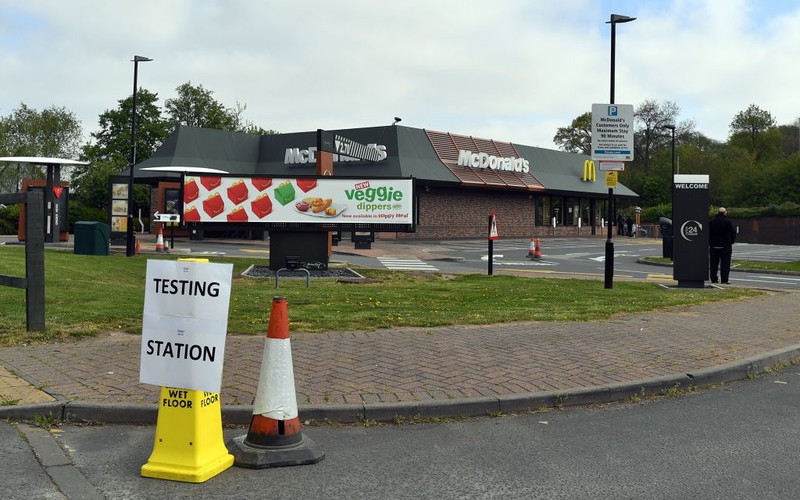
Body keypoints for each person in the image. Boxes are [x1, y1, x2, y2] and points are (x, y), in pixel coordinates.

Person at [709, 207, 737, 284]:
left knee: (713, 263)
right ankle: (724, 280)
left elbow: (708, 232)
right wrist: (731, 241)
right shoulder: (728, 222)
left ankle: (714, 278)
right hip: (725, 245)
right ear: (725, 213)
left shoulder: (712, 222)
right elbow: (733, 232)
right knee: (725, 264)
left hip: (714, 245)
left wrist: (710, 242)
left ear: (717, 212)